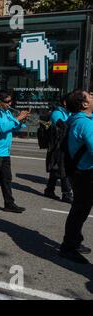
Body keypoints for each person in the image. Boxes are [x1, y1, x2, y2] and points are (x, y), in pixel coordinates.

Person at [59, 90, 93, 264]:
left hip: (80, 172)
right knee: (80, 210)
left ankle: (73, 241)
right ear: (84, 104)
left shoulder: (80, 120)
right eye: (90, 96)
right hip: (85, 173)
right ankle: (68, 246)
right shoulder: (84, 124)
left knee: (80, 209)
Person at [44, 94, 73, 203]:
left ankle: (49, 190)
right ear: (65, 102)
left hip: (65, 145)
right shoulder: (57, 113)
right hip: (58, 146)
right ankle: (67, 194)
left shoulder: (68, 112)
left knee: (56, 169)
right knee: (64, 169)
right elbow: (63, 127)